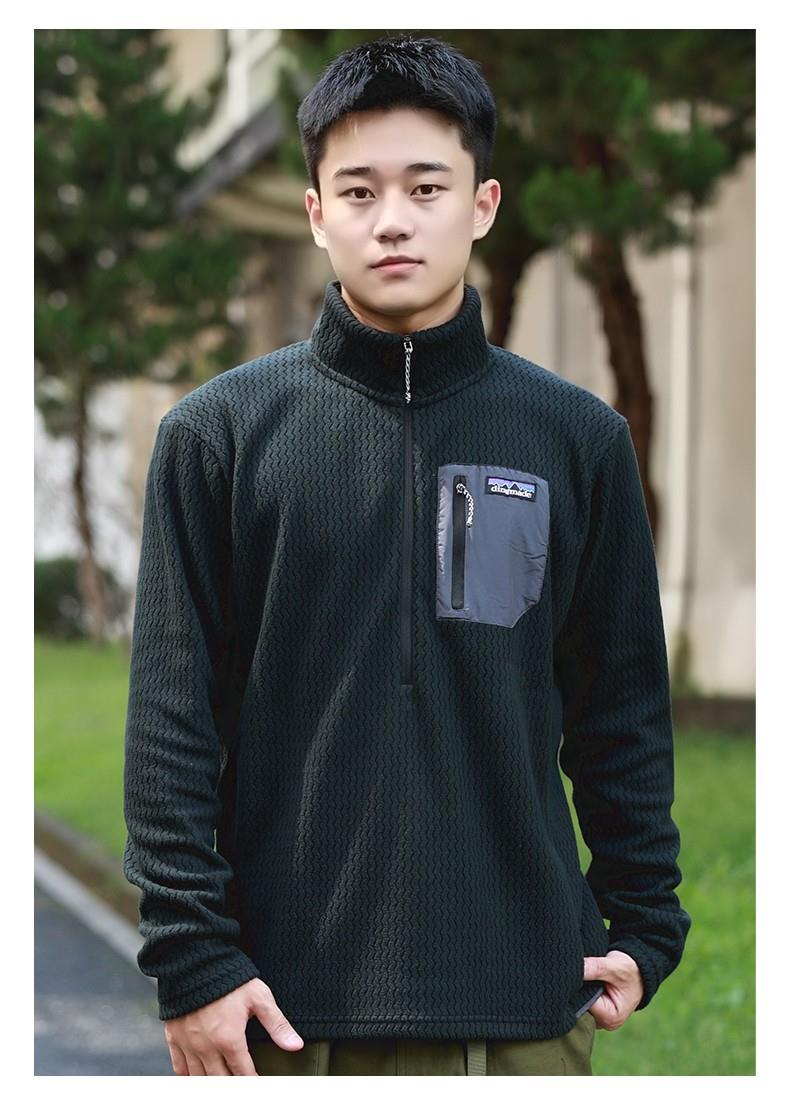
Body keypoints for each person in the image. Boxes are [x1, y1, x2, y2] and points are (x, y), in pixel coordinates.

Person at [122, 33, 691, 1077]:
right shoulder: (218, 437)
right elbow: (172, 721)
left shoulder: (576, 439)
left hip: (525, 1007)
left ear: (482, 204)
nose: (392, 219)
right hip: (280, 1013)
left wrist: (646, 920)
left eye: (427, 187)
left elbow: (621, 709)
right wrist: (191, 958)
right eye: (358, 190)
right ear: (315, 212)